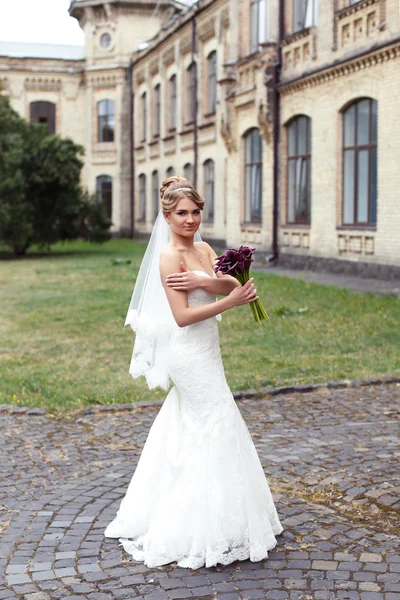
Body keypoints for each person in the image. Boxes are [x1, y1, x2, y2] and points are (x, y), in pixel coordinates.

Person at [104, 176, 283, 569]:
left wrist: (213, 283)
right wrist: (232, 298)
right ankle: (200, 525)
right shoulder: (170, 256)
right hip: (188, 355)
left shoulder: (203, 248)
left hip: (209, 352)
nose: (190, 219)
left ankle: (210, 512)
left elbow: (223, 283)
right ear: (166, 216)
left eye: (196, 211)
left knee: (190, 426)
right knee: (216, 420)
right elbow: (184, 317)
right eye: (181, 213)